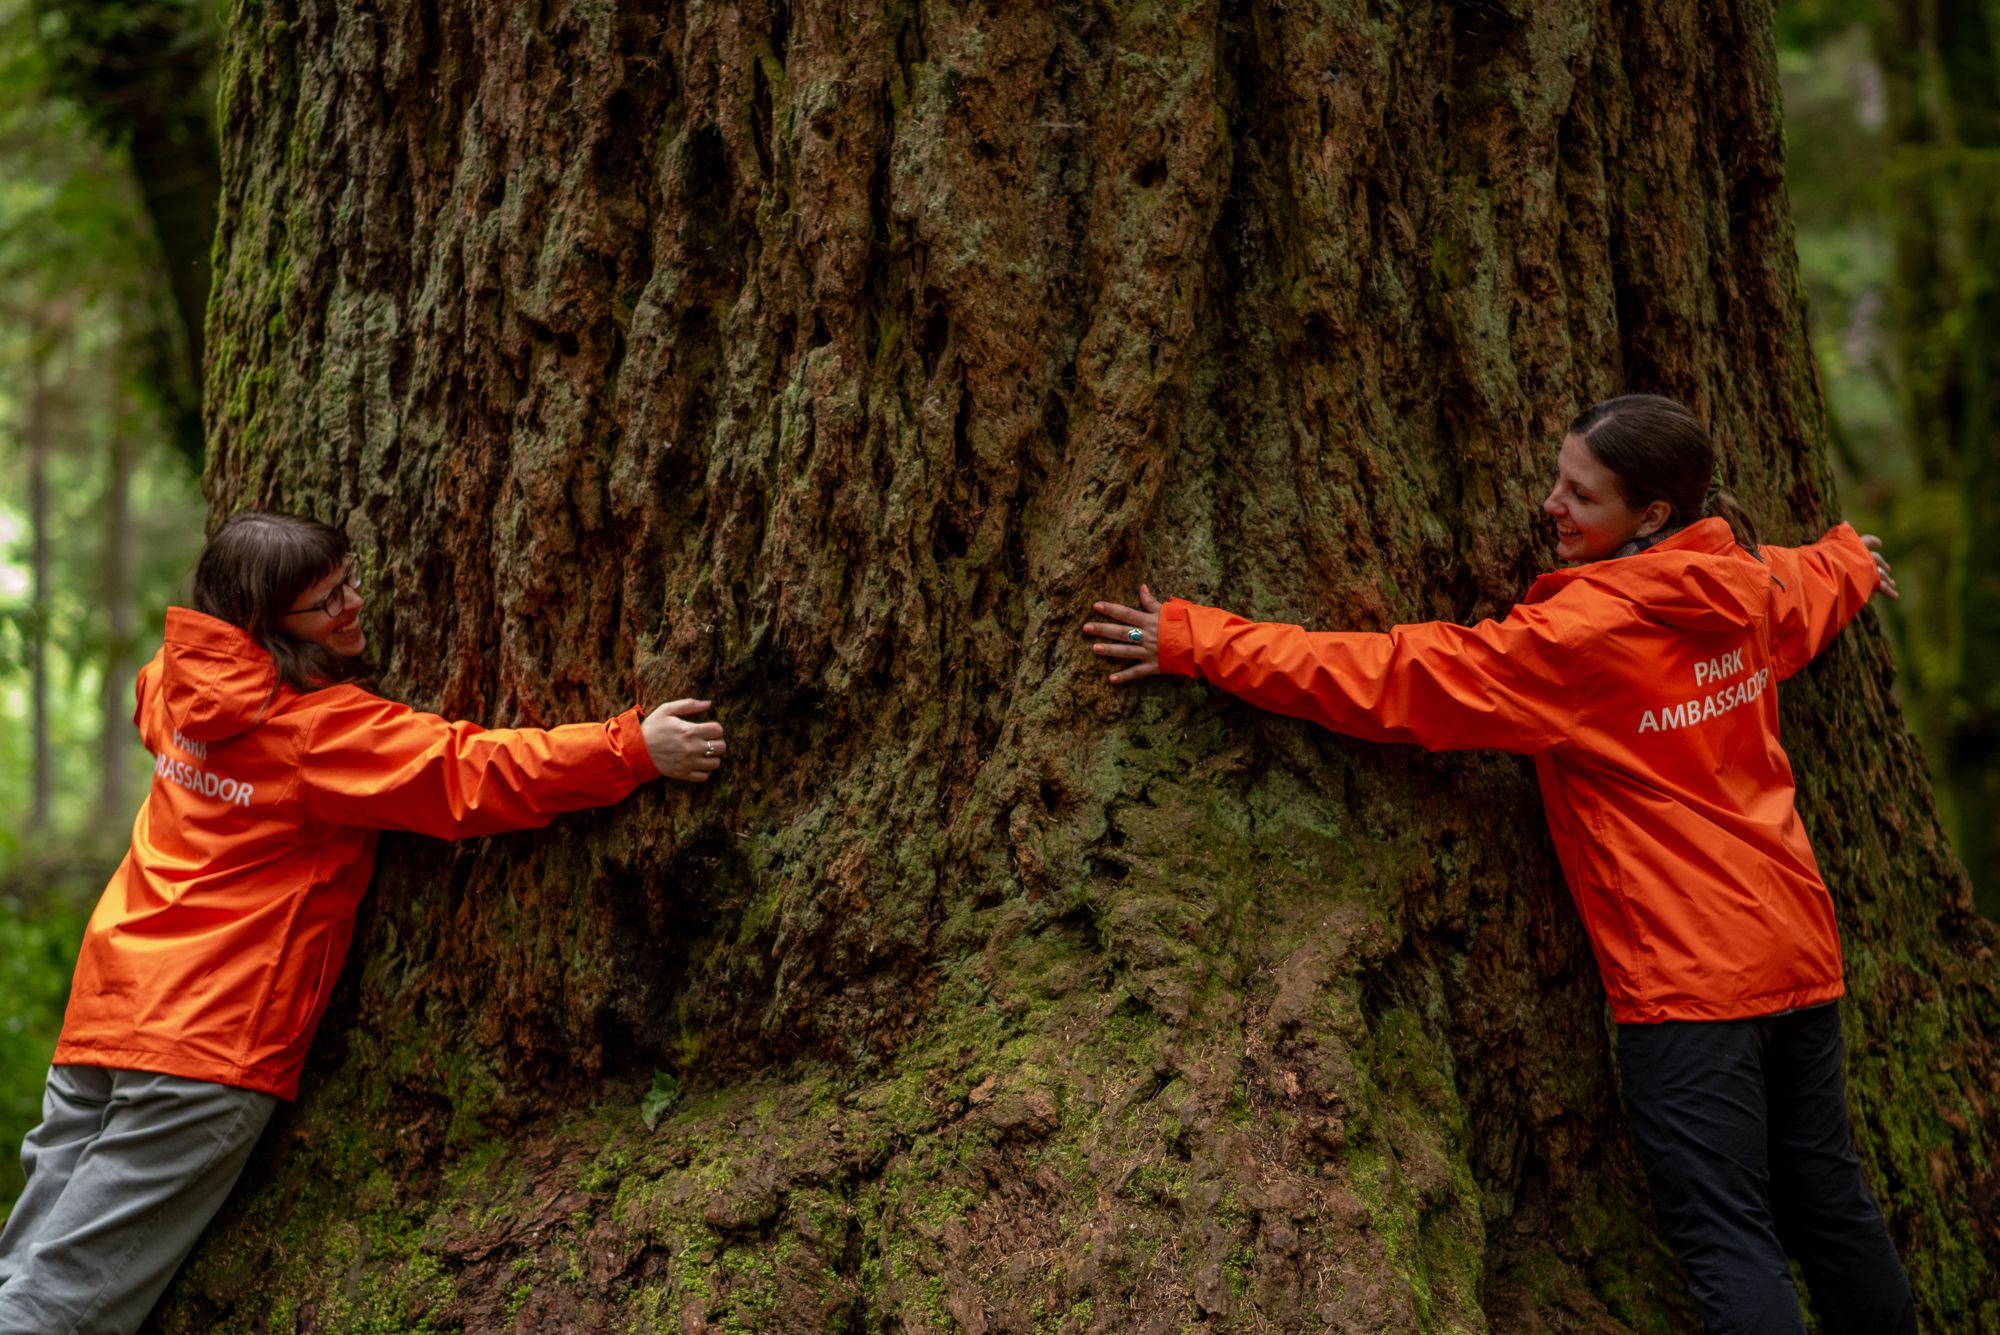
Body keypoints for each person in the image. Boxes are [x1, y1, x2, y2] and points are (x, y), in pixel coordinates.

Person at [1082, 395, 1916, 1335]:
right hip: (1798, 951)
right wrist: (1846, 558)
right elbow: (1805, 587)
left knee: (1729, 1238)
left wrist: (1200, 641)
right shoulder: (1747, 587)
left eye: (1581, 495)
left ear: (1653, 516)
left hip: (1692, 988)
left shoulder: (1577, 640)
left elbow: (1392, 679)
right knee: (1831, 1204)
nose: (1550, 504)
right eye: (1557, 477)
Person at [0, 511, 727, 1335]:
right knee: (63, 1302)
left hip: (107, 1011)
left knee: (24, 1266)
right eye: (327, 600)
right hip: (206, 1045)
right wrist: (630, 747)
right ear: (268, 627)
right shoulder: (316, 735)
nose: (356, 603)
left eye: (348, 579)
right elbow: (469, 771)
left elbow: (151, 708)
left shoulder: (170, 682)